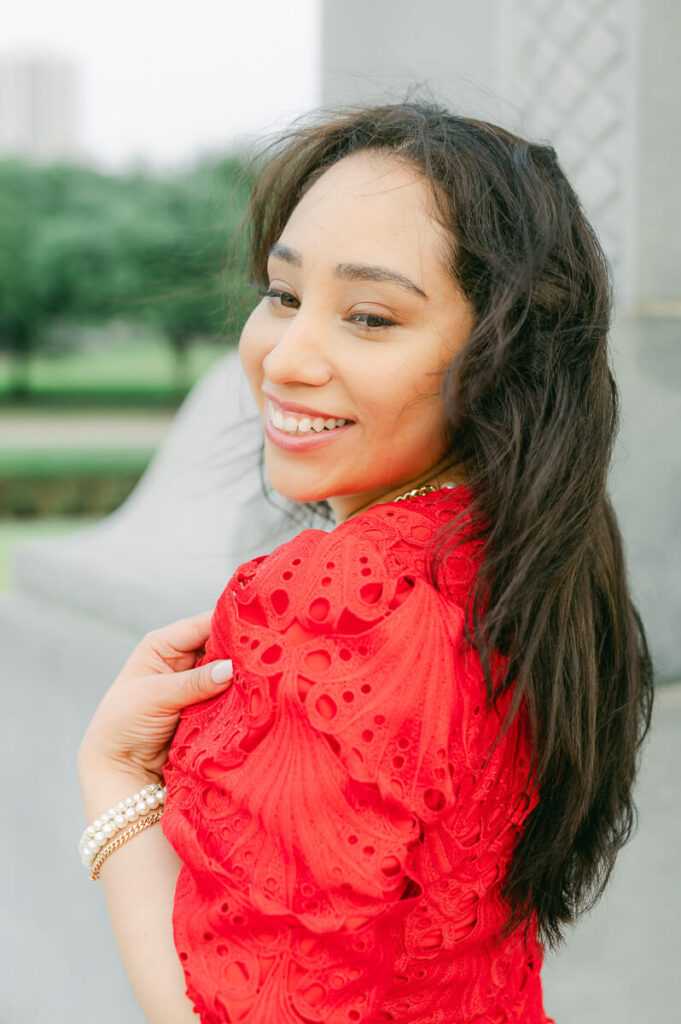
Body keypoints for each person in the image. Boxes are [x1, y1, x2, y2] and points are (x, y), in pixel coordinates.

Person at [77, 96, 654, 1024]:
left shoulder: (329, 603)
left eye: (371, 317)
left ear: (502, 356)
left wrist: (113, 782)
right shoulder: (526, 557)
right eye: (283, 294)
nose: (286, 358)